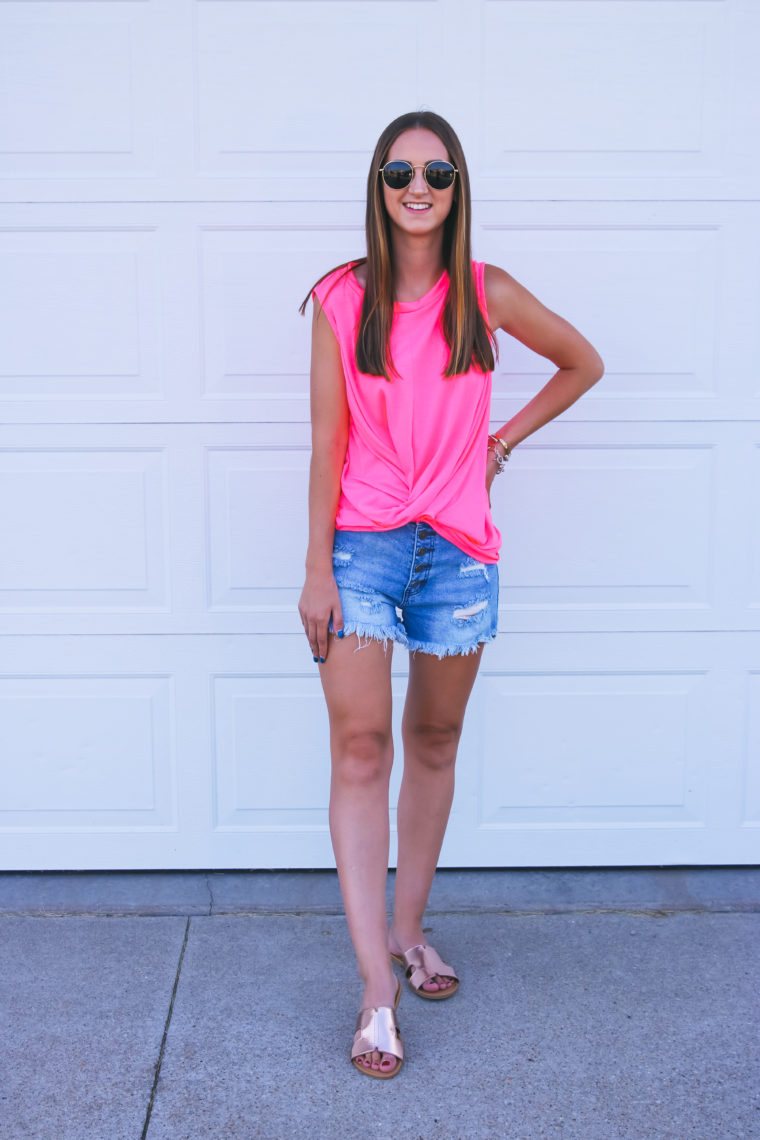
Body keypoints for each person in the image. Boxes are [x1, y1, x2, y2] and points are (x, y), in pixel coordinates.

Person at [298, 110, 603, 1079]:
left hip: (461, 553)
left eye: (435, 170)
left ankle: (409, 928)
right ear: (378, 187)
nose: (416, 185)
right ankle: (375, 991)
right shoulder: (342, 300)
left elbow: (582, 363)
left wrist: (498, 444)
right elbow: (325, 445)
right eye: (398, 171)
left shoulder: (489, 294)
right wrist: (314, 568)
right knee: (360, 746)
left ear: (458, 184)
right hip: (364, 550)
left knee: (433, 740)